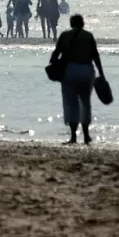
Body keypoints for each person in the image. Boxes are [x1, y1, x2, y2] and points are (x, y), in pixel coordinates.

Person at [49, 14, 105, 146]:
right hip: (86, 71)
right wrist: (101, 74)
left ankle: (73, 136)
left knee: (71, 103)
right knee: (85, 102)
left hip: (70, 71)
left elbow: (55, 54)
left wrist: (54, 64)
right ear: (82, 23)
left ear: (71, 23)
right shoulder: (88, 36)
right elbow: (95, 56)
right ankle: (86, 136)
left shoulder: (65, 36)